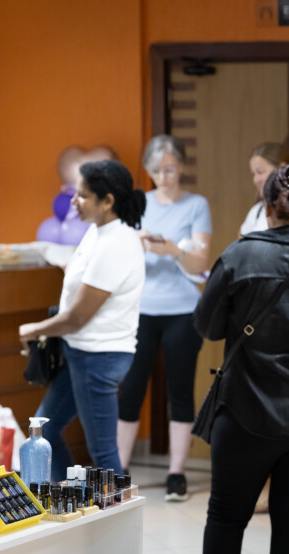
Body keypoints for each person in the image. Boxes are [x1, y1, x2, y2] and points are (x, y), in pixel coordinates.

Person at [194, 166, 289, 554]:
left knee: (227, 517)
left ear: (266, 206)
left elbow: (208, 327)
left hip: (245, 406)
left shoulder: (241, 255)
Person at [19, 160, 146, 483]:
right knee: (44, 431)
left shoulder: (116, 243)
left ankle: (115, 513)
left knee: (103, 453)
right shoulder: (99, 230)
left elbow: (78, 317)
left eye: (83, 195)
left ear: (107, 201)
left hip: (98, 358)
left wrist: (35, 329)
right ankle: (69, 498)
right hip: (82, 355)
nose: (74, 201)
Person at [116, 135, 211, 502]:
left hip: (183, 311)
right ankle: (119, 468)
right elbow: (118, 252)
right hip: (140, 309)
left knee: (180, 390)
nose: (163, 177)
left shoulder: (196, 205)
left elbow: (200, 263)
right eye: (155, 170)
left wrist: (172, 249)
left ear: (182, 166)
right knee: (131, 388)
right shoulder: (140, 201)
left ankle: (177, 473)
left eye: (169, 169)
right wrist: (135, 241)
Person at [240, 142, 287, 236]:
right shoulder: (257, 211)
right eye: (253, 174)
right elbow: (240, 241)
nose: (256, 180)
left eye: (260, 172)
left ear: (282, 168)